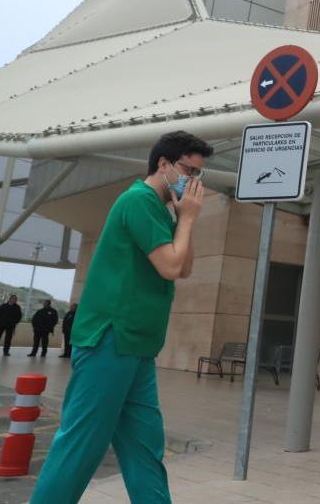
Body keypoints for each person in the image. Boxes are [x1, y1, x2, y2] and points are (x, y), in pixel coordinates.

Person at [31, 131, 212, 504]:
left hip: (137, 345)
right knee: (82, 445)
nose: (192, 182)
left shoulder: (161, 209)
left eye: (199, 175)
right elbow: (169, 266)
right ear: (163, 165)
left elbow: (185, 268)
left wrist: (184, 218)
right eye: (187, 170)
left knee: (144, 447)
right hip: (110, 340)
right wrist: (189, 218)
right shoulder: (139, 200)